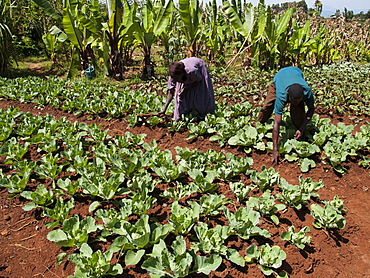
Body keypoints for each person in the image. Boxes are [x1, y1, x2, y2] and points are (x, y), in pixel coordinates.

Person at [257, 66, 315, 164]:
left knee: (298, 114)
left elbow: (311, 109)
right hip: (280, 78)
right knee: (268, 106)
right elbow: (277, 123)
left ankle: (300, 136)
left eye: (298, 100)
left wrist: (302, 128)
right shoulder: (281, 95)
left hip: (296, 72)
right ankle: (259, 123)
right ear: (288, 95)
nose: (295, 102)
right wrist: (275, 150)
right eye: (293, 100)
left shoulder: (307, 92)